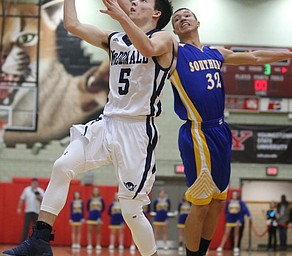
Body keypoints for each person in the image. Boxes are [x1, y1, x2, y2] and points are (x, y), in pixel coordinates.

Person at [2, 0, 174, 255]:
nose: (136, 1)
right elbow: (73, 25)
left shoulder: (165, 39)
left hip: (137, 131)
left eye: (144, 0)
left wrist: (121, 16)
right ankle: (39, 240)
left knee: (131, 210)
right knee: (62, 166)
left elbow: (147, 48)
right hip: (108, 122)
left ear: (156, 13)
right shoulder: (114, 39)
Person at [168, 8, 292, 256]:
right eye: (176, 19)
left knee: (217, 203)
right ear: (173, 30)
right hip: (197, 132)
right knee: (200, 205)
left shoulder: (215, 53)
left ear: (198, 22)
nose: (182, 19)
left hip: (221, 130)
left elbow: (255, 57)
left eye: (186, 15)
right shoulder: (173, 51)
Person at [17, 178, 45, 242]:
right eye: (33, 183)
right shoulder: (26, 190)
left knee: (36, 228)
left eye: (36, 183)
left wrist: (38, 196)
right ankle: (23, 242)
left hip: (37, 212)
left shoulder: (40, 191)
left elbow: (43, 201)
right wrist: (19, 207)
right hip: (28, 211)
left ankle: (36, 242)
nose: (35, 184)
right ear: (31, 183)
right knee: (26, 227)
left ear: (37, 184)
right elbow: (22, 198)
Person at [86, 187, 105, 251]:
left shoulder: (101, 199)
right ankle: (89, 244)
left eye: (97, 191)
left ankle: (98, 244)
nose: (96, 192)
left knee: (98, 231)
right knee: (89, 231)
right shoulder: (90, 199)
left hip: (98, 217)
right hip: (91, 216)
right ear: (93, 192)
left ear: (99, 192)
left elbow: (103, 208)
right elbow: (87, 208)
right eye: (94, 191)